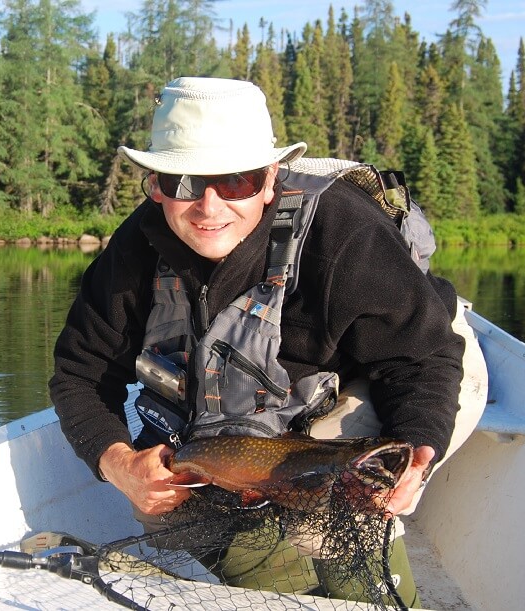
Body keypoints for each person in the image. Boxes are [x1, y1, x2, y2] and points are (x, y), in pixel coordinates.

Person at [49, 76, 487, 604]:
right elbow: (80, 374)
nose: (209, 207)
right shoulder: (134, 251)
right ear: (157, 183)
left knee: (338, 511)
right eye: (184, 182)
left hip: (407, 363)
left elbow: (423, 361)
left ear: (270, 178)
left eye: (236, 181)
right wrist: (118, 462)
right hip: (262, 407)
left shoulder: (343, 234)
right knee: (194, 519)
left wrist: (419, 445)